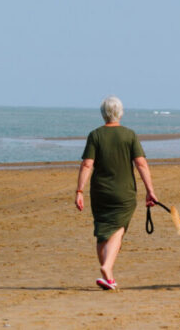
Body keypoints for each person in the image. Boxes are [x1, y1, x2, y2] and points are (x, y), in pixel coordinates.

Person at [74, 95, 157, 290]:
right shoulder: (129, 135)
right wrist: (150, 190)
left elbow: (87, 164)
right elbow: (141, 163)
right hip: (124, 193)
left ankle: (108, 278)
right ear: (120, 113)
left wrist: (79, 191)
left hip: (100, 192)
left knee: (103, 232)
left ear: (103, 114)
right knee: (118, 230)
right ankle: (107, 266)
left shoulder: (95, 135)